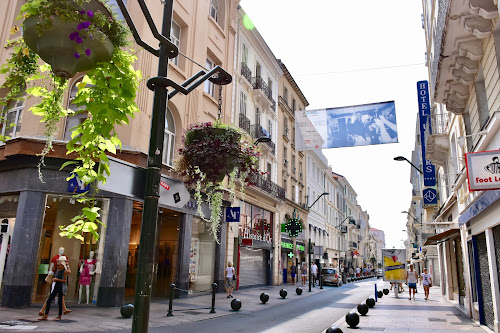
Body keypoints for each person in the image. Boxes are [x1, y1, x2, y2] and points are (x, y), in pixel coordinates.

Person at [39, 247, 71, 316]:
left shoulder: (63, 267)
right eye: (61, 250)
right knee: (52, 297)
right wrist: (50, 274)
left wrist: (67, 266)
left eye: (63, 250)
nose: (62, 251)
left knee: (59, 297)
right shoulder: (57, 263)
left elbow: (67, 272)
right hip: (57, 282)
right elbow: (53, 268)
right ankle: (43, 310)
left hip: (59, 283)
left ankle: (63, 310)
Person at [38, 257, 68, 321]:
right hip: (57, 286)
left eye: (59, 265)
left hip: (61, 287)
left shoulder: (64, 271)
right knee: (49, 300)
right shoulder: (58, 271)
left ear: (62, 265)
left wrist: (57, 279)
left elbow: (65, 280)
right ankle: (46, 315)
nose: (58, 267)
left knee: (60, 302)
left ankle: (59, 316)